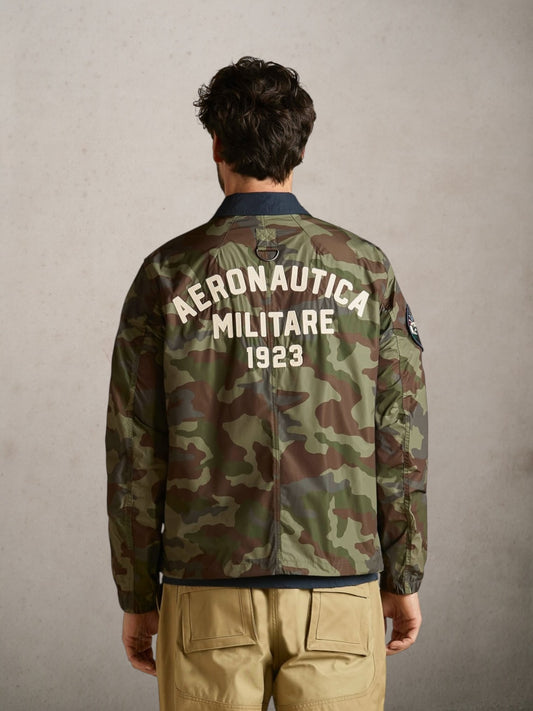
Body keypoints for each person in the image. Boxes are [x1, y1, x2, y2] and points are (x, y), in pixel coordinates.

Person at [106, 56, 428, 711]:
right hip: (339, 587)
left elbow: (136, 449)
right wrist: (403, 574)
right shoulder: (365, 269)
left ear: (216, 144)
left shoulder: (167, 272)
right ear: (299, 148)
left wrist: (137, 594)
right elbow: (399, 437)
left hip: (206, 592)